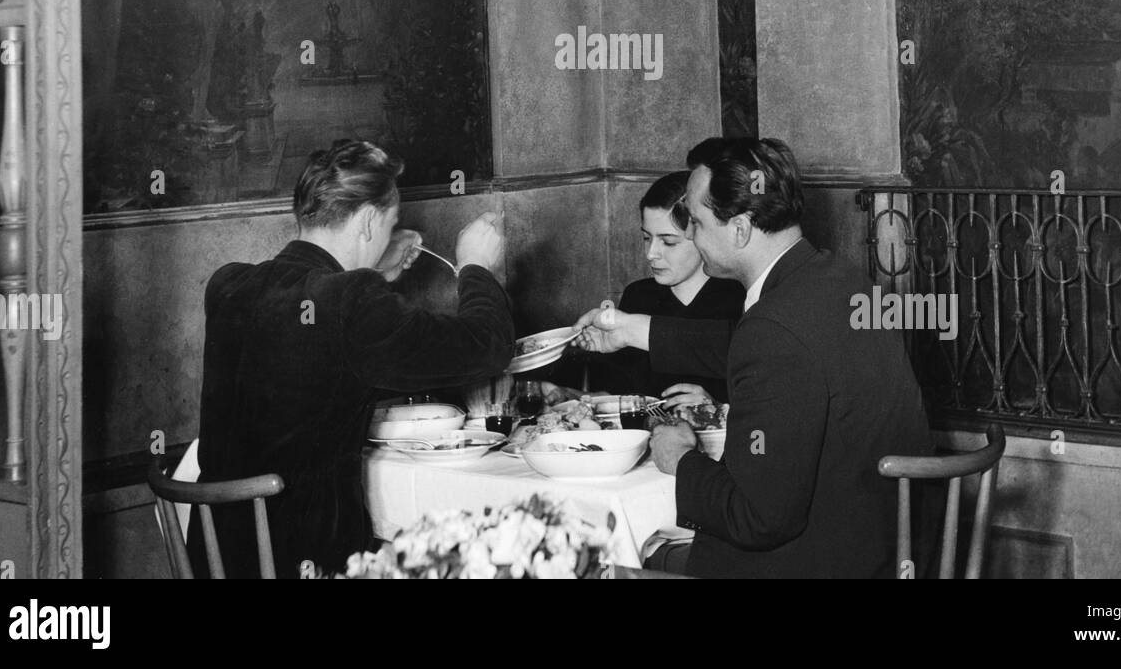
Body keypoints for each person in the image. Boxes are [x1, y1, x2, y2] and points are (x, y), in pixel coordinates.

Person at [575, 137, 932, 579]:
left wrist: (683, 459)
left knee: (598, 558)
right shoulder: (841, 280)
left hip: (811, 563)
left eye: (697, 223)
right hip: (880, 548)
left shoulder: (773, 329)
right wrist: (630, 329)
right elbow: (761, 349)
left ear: (740, 229)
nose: (690, 235)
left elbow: (758, 519)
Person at [188, 139, 512, 578]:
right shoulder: (352, 304)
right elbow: (487, 345)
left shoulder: (229, 286)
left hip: (218, 559)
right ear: (367, 222)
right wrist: (476, 267)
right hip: (310, 562)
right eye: (389, 223)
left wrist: (373, 268)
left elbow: (306, 326)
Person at [590, 171, 743, 406]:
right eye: (646, 238)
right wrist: (575, 397)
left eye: (668, 242)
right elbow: (619, 392)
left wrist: (717, 406)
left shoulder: (739, 299)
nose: (651, 254)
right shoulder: (638, 295)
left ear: (702, 234)